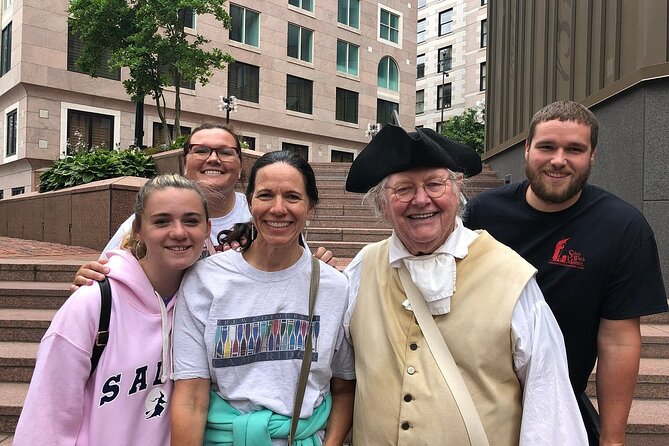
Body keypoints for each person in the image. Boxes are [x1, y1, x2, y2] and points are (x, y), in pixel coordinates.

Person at [342, 124, 587, 445]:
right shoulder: (363, 268)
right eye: (402, 189)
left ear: (457, 192)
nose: (420, 200)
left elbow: (549, 404)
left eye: (434, 184)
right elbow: (338, 375)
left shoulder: (509, 276)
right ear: (382, 205)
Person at [464, 100, 668, 445]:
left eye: (574, 149)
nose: (559, 160)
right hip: (473, 399)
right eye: (547, 147)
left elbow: (618, 339)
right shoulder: (482, 213)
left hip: (559, 404)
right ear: (527, 149)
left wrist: (613, 438)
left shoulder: (623, 227)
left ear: (592, 156)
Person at [171, 151, 355, 445]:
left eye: (293, 197)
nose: (278, 208)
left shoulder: (335, 287)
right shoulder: (206, 279)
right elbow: (191, 394)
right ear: (250, 202)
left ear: (310, 206)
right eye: (266, 195)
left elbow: (344, 387)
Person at [14, 174, 211, 445]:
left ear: (208, 229)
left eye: (191, 220)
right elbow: (45, 421)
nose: (178, 232)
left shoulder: (208, 303)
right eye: (162, 221)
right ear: (138, 229)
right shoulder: (92, 303)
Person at [71, 123, 336, 292]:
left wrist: (318, 270)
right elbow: (106, 271)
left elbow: (295, 270)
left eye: (225, 151)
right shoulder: (148, 221)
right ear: (185, 162)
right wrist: (90, 278)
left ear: (240, 163)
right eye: (201, 150)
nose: (213, 158)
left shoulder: (264, 214)